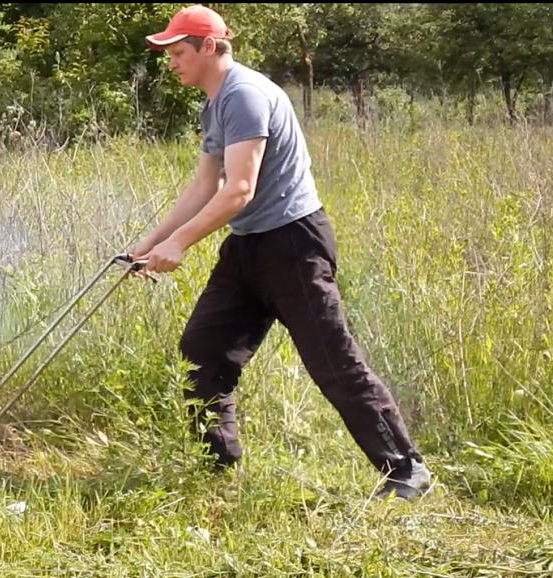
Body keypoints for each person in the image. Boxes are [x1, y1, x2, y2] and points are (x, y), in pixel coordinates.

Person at [130, 5, 431, 500]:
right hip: (248, 247)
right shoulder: (215, 102)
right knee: (202, 353)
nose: (171, 62)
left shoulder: (245, 95)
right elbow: (205, 185)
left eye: (178, 52)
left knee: (331, 358)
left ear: (209, 47)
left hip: (293, 244)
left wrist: (179, 244)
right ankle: (217, 471)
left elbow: (238, 190)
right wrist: (145, 246)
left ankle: (405, 468)